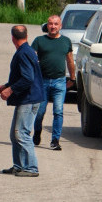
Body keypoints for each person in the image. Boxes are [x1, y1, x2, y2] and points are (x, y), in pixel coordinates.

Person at [0, 25, 45, 177]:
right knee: (14, 134)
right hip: (27, 98)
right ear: (26, 35)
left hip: (29, 99)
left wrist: (10, 90)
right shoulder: (27, 51)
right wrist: (5, 86)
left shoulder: (23, 53)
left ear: (12, 38)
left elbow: (28, 78)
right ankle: (19, 165)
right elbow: (21, 76)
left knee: (21, 133)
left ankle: (31, 168)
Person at [31, 14, 75, 150]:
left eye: (56, 24)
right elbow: (31, 58)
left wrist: (72, 78)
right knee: (39, 112)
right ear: (47, 25)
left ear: (60, 26)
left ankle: (55, 140)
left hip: (59, 82)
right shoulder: (39, 40)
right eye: (50, 24)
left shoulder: (66, 41)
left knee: (58, 111)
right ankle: (37, 132)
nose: (53, 26)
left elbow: (70, 60)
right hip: (42, 82)